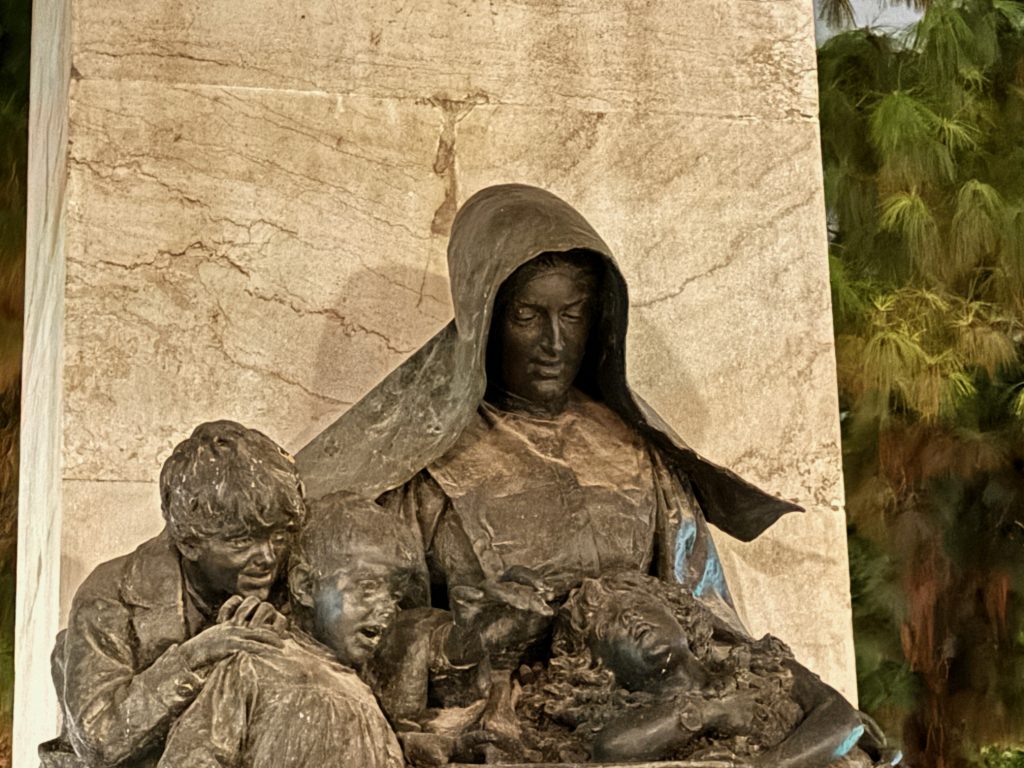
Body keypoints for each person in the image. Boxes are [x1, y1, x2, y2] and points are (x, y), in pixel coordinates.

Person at [296, 184, 802, 649]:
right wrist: (472, 637)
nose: (554, 343)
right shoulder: (425, 466)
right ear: (485, 318)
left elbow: (705, 616)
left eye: (573, 315)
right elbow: (380, 627)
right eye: (527, 316)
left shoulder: (638, 456)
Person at [40, 421, 307, 768]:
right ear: (188, 542)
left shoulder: (294, 578)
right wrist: (196, 657)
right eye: (242, 541)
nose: (268, 557)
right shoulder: (111, 596)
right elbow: (98, 738)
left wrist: (289, 648)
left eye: (279, 537)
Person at [157, 493, 439, 768]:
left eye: (394, 596)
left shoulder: (368, 705)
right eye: (367, 587)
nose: (387, 609)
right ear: (305, 586)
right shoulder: (255, 667)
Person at [516, 570, 871, 767]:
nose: (630, 620)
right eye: (610, 628)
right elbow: (612, 748)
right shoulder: (631, 723)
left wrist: (770, 765)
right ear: (601, 669)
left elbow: (845, 720)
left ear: (675, 610)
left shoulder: (763, 663)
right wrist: (711, 711)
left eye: (636, 607)